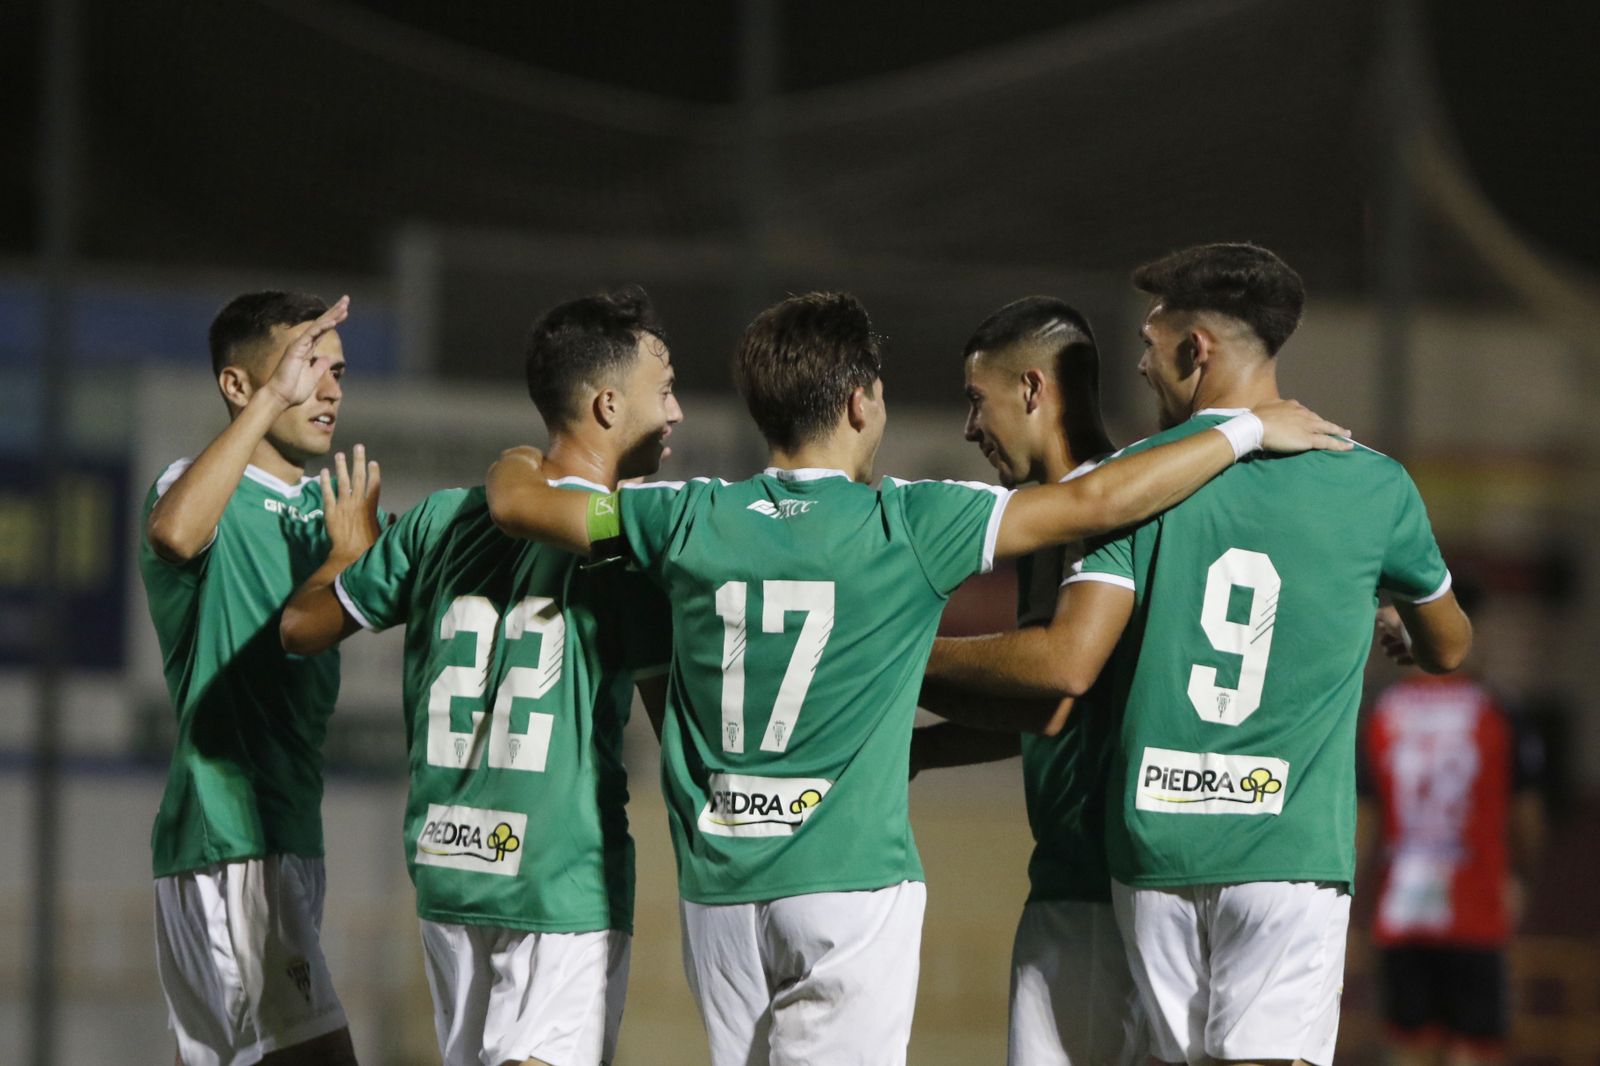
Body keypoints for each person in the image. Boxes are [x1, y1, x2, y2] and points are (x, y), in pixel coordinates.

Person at [483, 290, 1348, 1066]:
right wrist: (1242, 428)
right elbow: (1094, 503)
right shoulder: (908, 519)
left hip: (720, 894)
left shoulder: (681, 513)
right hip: (851, 885)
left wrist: (517, 458)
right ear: (861, 402)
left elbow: (523, 505)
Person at [926, 242, 1474, 1066]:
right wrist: (1402, 622)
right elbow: (1451, 646)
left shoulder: (1137, 486)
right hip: (1285, 849)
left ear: (1196, 349)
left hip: (1152, 852)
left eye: (1150, 347)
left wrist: (894, 665)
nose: (1140, 368)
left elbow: (1069, 667)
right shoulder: (1372, 484)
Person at [280, 285, 680, 1066]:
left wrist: (341, 558)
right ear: (606, 405)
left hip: (451, 867)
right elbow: (676, 731)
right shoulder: (629, 550)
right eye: (663, 392)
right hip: (560, 880)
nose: (676, 414)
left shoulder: (438, 519)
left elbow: (301, 628)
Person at [141, 291, 376, 1065]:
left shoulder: (327, 513)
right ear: (239, 387)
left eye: (336, 369)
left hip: (280, 835)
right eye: (306, 368)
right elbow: (174, 534)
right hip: (231, 835)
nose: (330, 388)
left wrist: (354, 558)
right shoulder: (198, 491)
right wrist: (276, 395)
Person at [911, 295, 1144, 1066]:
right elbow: (1049, 710)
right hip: (1077, 878)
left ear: (1035, 391)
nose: (970, 426)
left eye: (979, 401)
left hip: (1112, 887)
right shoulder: (1049, 518)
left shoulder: (1111, 504)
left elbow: (1060, 664)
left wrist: (894, 655)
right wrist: (918, 754)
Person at [1359, 595, 1545, 1066]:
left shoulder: (1385, 711)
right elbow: (1527, 818)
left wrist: (1351, 900)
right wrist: (1520, 877)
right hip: (1475, 908)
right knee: (1474, 1050)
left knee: (1406, 1047)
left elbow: (1364, 820)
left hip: (1402, 911)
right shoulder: (1498, 711)